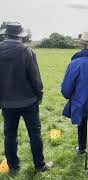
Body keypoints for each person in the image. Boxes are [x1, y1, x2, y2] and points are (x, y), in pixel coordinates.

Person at [0, 22, 52, 173]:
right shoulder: (27, 51)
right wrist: (39, 95)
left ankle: (13, 167)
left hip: (7, 102)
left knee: (9, 135)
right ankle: (40, 166)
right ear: (20, 35)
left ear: (6, 34)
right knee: (34, 134)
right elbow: (35, 78)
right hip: (29, 101)